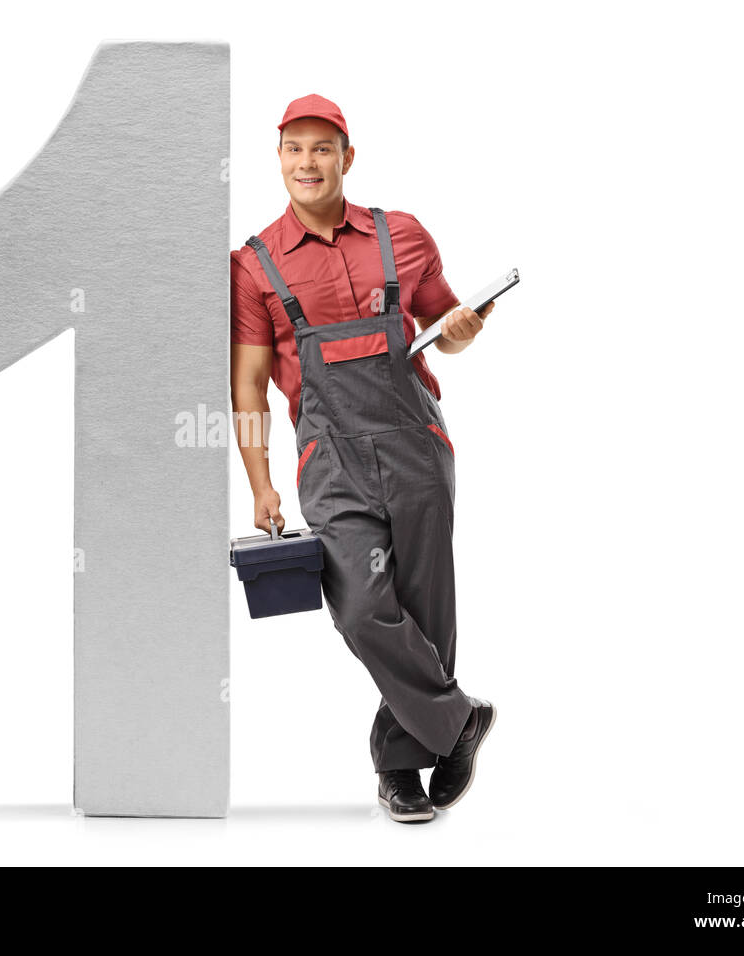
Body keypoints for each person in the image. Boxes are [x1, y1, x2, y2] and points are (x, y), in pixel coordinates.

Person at [229, 94, 498, 823]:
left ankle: (401, 770)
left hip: (416, 443)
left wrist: (462, 332)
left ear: (348, 157)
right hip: (329, 458)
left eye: (323, 148)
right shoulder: (253, 265)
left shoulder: (401, 235)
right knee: (360, 605)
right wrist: (259, 484)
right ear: (278, 157)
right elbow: (249, 382)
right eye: (293, 148)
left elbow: (444, 327)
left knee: (425, 609)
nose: (307, 162)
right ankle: (457, 722)